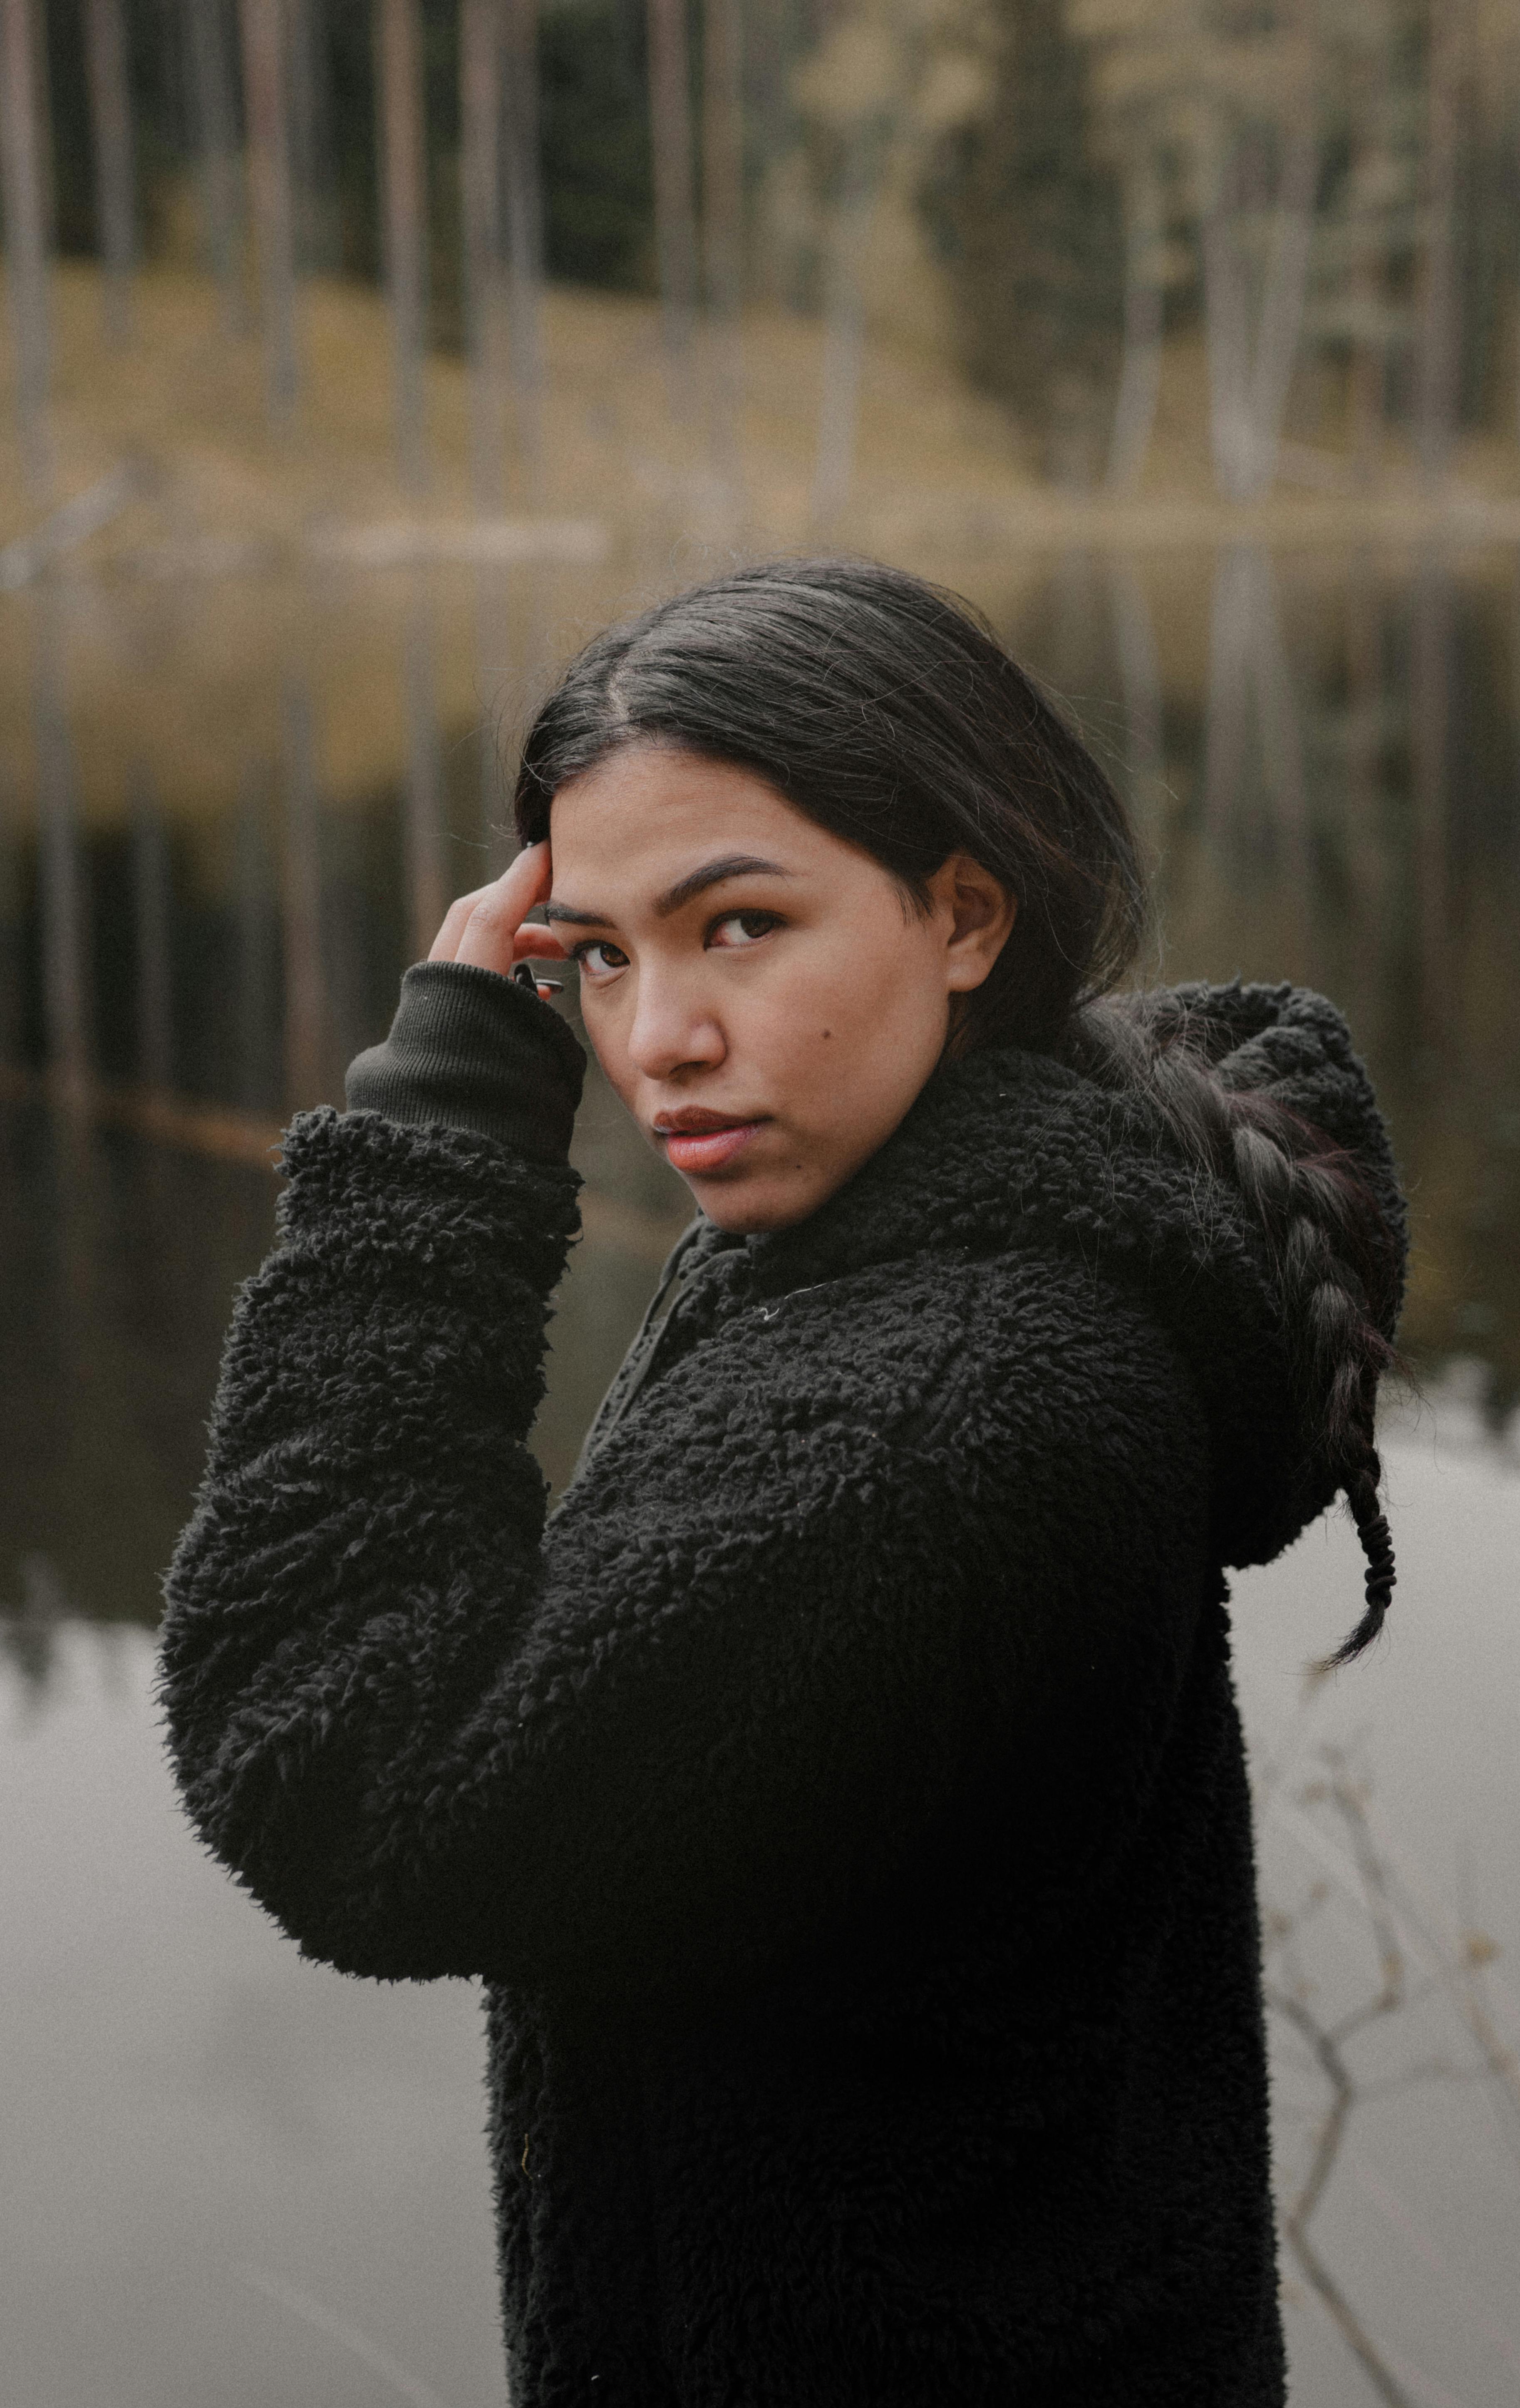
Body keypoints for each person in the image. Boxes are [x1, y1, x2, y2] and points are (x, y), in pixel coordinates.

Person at [160, 556, 1408, 2407]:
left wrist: (429, 1143)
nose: (651, 1034)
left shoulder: (940, 1411)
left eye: (735, 924)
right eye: (591, 955)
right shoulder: (944, 1219)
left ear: (963, 914)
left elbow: (348, 1772)